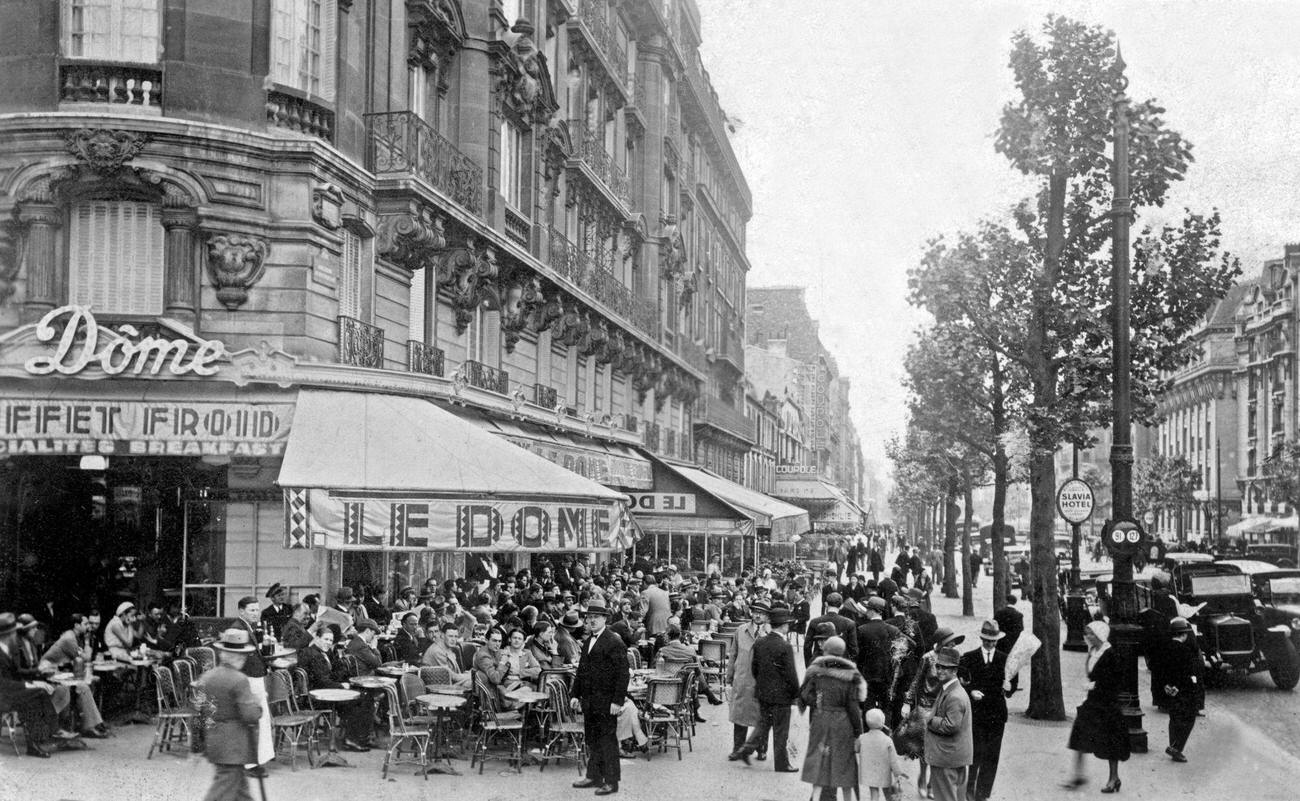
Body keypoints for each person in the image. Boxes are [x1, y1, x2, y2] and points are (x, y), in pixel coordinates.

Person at [193, 629, 263, 801]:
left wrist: (197, 745)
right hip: (234, 746)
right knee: (221, 793)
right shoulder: (239, 679)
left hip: (215, 741)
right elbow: (250, 716)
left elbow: (198, 714)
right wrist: (257, 703)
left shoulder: (206, 677)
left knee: (241, 792)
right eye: (244, 656)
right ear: (239, 657)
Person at [729, 608, 800, 772]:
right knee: (781, 731)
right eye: (787, 624)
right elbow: (791, 675)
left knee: (763, 724)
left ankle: (745, 750)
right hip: (781, 696)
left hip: (763, 692)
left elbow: (754, 668)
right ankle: (782, 764)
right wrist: (795, 694)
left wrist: (762, 684)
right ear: (783, 626)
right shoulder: (785, 646)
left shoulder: (760, 642)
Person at [570, 598, 629, 796]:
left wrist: (617, 701)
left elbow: (623, 674)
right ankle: (594, 775)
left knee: (607, 741)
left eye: (596, 617)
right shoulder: (589, 641)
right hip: (590, 700)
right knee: (593, 738)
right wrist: (575, 694)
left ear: (605, 619)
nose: (592, 620)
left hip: (606, 701)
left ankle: (611, 781)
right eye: (589, 618)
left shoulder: (614, 641)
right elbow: (581, 670)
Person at [1063, 620, 1129, 793]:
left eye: (1091, 633)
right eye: (1087, 633)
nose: (1088, 636)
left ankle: (1113, 778)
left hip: (1107, 703)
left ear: (1100, 635)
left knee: (1111, 741)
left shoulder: (1110, 654)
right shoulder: (1092, 650)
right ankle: (1078, 775)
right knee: (1078, 735)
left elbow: (1116, 681)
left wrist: (1096, 685)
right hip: (1092, 701)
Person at [798, 636, 865, 801]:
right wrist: (858, 732)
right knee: (845, 765)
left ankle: (815, 797)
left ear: (825, 650)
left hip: (820, 719)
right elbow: (853, 708)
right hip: (843, 723)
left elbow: (805, 695)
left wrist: (819, 702)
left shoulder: (817, 671)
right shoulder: (851, 675)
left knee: (819, 763)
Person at [0, 612, 75, 757]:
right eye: (12, 634)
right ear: (6, 635)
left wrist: (32, 682)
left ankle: (38, 740)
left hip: (11, 691)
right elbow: (3, 682)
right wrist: (28, 686)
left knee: (37, 695)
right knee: (37, 694)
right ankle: (51, 731)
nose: (14, 637)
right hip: (4, 695)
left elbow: (15, 674)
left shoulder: (6, 649)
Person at [902, 627, 964, 798]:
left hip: (945, 705)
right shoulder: (927, 658)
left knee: (940, 748)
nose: (953, 645)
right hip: (926, 705)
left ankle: (931, 784)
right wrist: (907, 703)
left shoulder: (954, 659)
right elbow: (916, 681)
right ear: (942, 642)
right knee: (926, 747)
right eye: (950, 642)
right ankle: (922, 778)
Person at [298, 627, 374, 751]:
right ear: (317, 638)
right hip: (316, 697)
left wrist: (340, 666)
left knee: (366, 696)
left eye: (331, 640)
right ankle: (351, 739)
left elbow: (335, 672)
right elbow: (322, 681)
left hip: (326, 691)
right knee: (359, 700)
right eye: (325, 639)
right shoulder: (312, 654)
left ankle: (361, 737)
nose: (328, 642)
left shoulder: (325, 652)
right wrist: (341, 686)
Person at [960, 621, 1011, 801]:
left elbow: (1011, 689)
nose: (990, 644)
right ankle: (970, 788)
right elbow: (961, 683)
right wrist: (971, 691)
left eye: (993, 641)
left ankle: (982, 794)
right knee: (975, 752)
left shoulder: (1006, 659)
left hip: (997, 714)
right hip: (977, 713)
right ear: (982, 638)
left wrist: (1009, 686)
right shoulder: (968, 657)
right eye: (987, 640)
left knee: (992, 755)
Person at [37, 613, 108, 737]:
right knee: (82, 687)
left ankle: (90, 724)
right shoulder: (69, 639)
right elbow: (86, 658)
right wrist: (86, 642)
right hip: (48, 671)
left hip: (59, 671)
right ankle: (90, 725)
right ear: (76, 625)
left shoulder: (73, 636)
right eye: (85, 624)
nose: (88, 626)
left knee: (84, 687)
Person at [923, 647, 973, 801]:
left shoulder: (955, 696)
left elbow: (950, 726)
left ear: (955, 671)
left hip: (946, 759)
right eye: (938, 666)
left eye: (945, 668)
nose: (940, 671)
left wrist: (930, 720)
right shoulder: (950, 689)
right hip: (952, 757)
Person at [231, 596, 275, 768]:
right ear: (241, 611)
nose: (256, 613)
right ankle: (251, 763)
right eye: (252, 610)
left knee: (260, 719)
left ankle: (257, 759)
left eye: (257, 610)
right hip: (247, 680)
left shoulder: (246, 626)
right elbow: (236, 660)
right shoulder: (237, 629)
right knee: (254, 720)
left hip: (254, 677)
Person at [727, 600, 769, 759]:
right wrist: (729, 676)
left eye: (762, 613)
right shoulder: (741, 630)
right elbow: (733, 654)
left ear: (767, 616)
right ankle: (737, 748)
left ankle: (761, 749)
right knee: (740, 715)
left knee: (762, 717)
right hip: (743, 680)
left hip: (762, 682)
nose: (758, 615)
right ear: (751, 613)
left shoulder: (770, 633)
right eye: (755, 611)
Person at [1163, 616, 1204, 764]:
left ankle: (1173, 745)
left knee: (1174, 718)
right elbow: (1188, 673)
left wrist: (1167, 685)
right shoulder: (1186, 650)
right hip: (1184, 691)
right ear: (1184, 635)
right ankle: (1177, 748)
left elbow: (1160, 670)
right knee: (1189, 718)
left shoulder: (1165, 649)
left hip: (1169, 690)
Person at [856, 596, 900, 715]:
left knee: (867, 710)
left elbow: (858, 657)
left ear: (872, 611)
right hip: (887, 676)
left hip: (867, 676)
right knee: (886, 710)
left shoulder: (862, 629)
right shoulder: (893, 630)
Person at [860, 707, 906, 801]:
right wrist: (897, 773)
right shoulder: (887, 740)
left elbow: (856, 748)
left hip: (870, 774)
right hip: (884, 773)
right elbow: (893, 760)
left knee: (874, 795)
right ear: (882, 724)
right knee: (889, 795)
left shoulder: (862, 738)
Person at [804, 593, 858, 666]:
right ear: (841, 606)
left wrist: (809, 666)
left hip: (819, 664)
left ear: (826, 604)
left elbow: (807, 647)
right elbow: (853, 650)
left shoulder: (814, 622)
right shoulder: (849, 623)